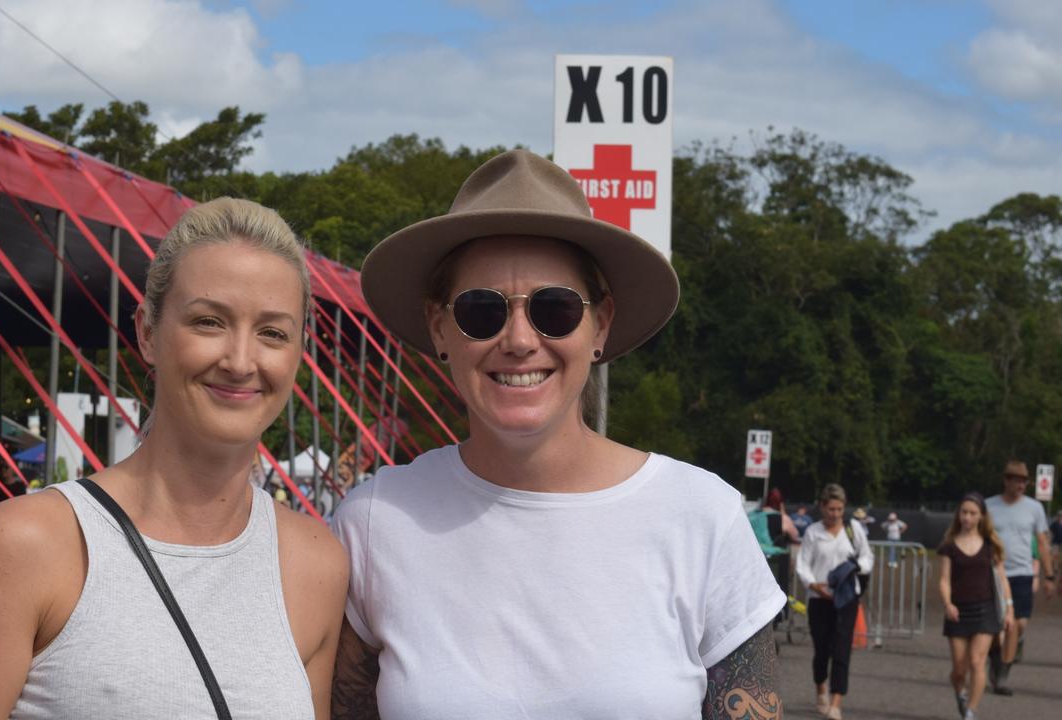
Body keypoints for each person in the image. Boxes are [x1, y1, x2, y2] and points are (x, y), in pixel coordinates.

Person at [331, 150, 785, 719]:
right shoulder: (375, 520)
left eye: (555, 308)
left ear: (602, 324)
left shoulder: (701, 516)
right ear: (440, 327)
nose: (520, 339)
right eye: (481, 311)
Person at [0, 198, 349, 718]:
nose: (241, 360)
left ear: (298, 353)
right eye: (209, 321)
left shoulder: (315, 564)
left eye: (273, 332)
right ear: (147, 333)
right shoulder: (28, 545)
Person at [796, 483, 874, 720]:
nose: (836, 514)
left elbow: (867, 556)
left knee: (842, 650)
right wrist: (813, 585)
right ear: (822, 507)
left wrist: (856, 568)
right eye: (831, 509)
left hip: (846, 597)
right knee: (822, 650)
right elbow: (802, 564)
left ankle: (836, 702)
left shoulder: (853, 529)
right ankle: (821, 688)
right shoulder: (813, 532)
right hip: (819, 599)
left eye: (839, 509)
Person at [938, 493, 1012, 720]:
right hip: (958, 612)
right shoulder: (949, 546)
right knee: (959, 669)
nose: (967, 517)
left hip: (986, 610)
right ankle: (960, 692)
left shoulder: (990, 544)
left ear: (981, 516)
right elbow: (944, 579)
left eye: (972, 513)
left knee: (977, 661)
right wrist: (947, 603)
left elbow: (1001, 579)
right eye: (964, 512)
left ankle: (971, 711)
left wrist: (1009, 609)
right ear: (958, 514)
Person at [985, 459, 1054, 695]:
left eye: (1025, 481)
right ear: (1006, 481)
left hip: (1023, 573)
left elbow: (1043, 543)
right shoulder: (989, 506)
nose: (1022, 485)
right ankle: (998, 664)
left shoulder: (1035, 508)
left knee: (1019, 624)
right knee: (996, 627)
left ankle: (1003, 673)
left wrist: (1049, 575)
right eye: (1017, 480)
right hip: (994, 574)